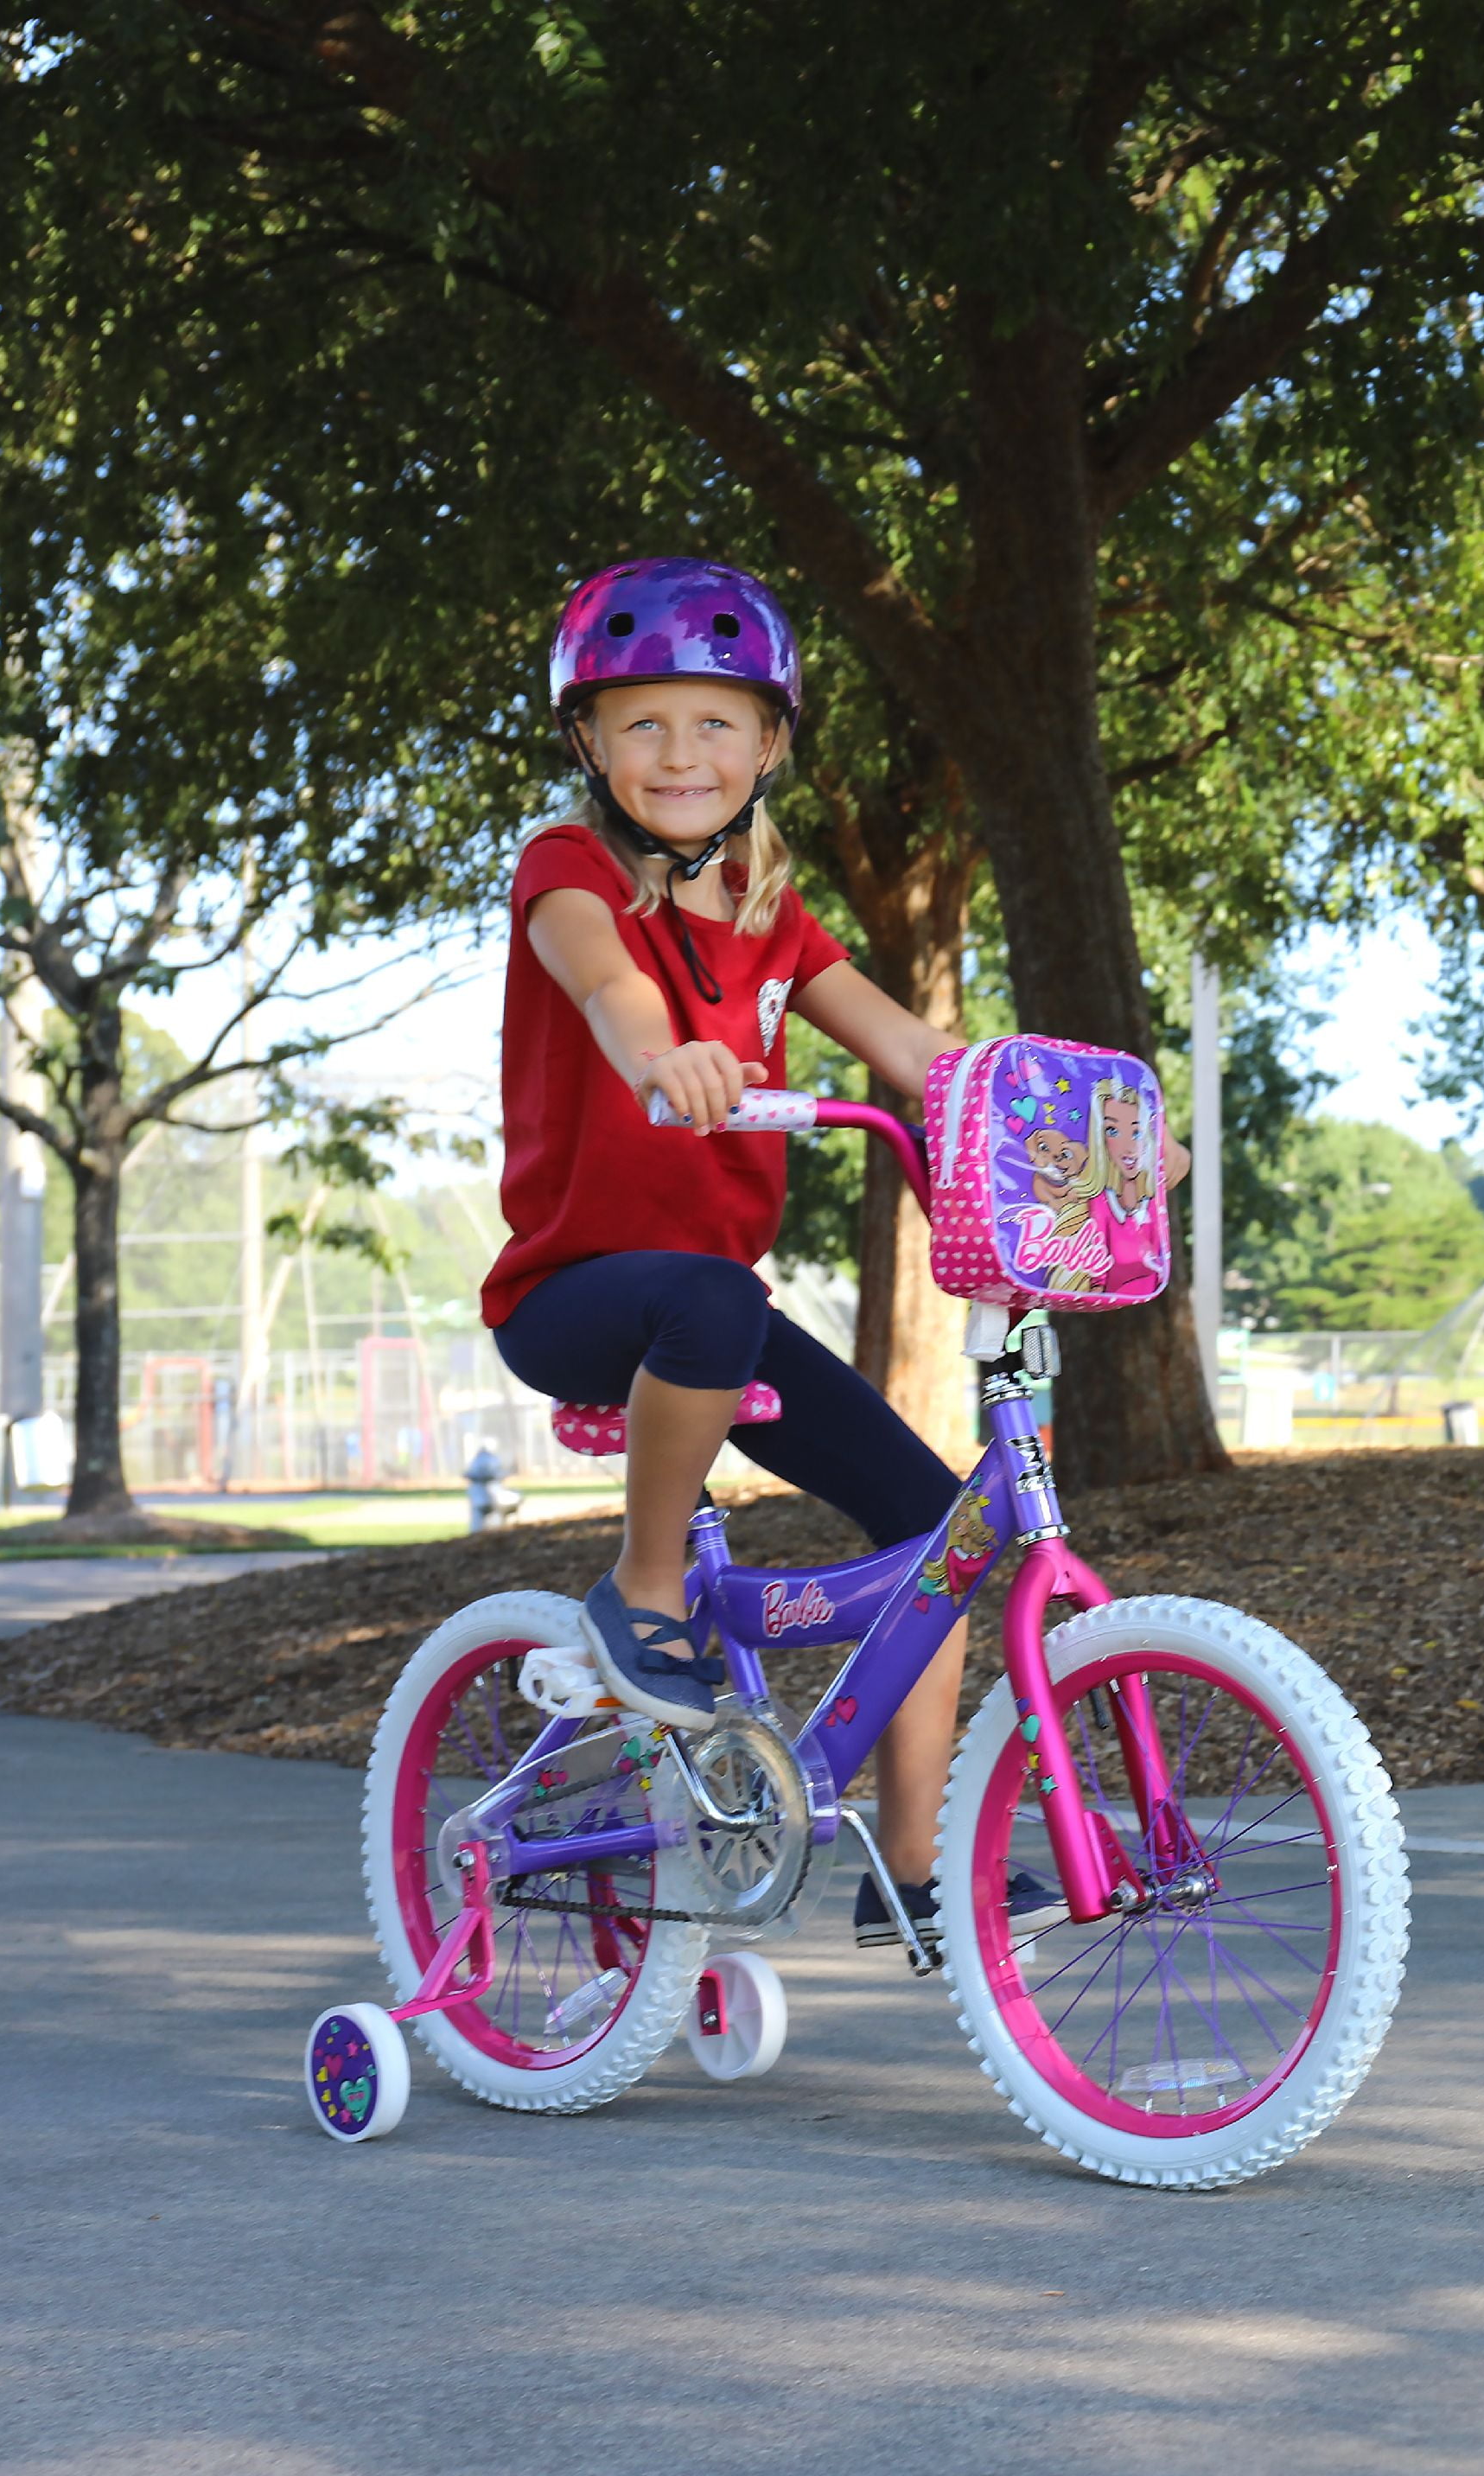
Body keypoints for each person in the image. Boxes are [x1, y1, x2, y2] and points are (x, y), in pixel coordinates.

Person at [477, 558, 1181, 1950]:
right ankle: (643, 1587)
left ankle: (911, 1873)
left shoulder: (772, 913)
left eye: (716, 723)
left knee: (936, 1532)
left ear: (771, 746)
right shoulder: (568, 869)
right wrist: (660, 1054)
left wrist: (1095, 1138)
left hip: (715, 1317)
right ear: (591, 746)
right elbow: (605, 983)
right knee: (707, 1296)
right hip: (570, 1295)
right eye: (642, 724)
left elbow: (923, 1058)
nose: (681, 753)